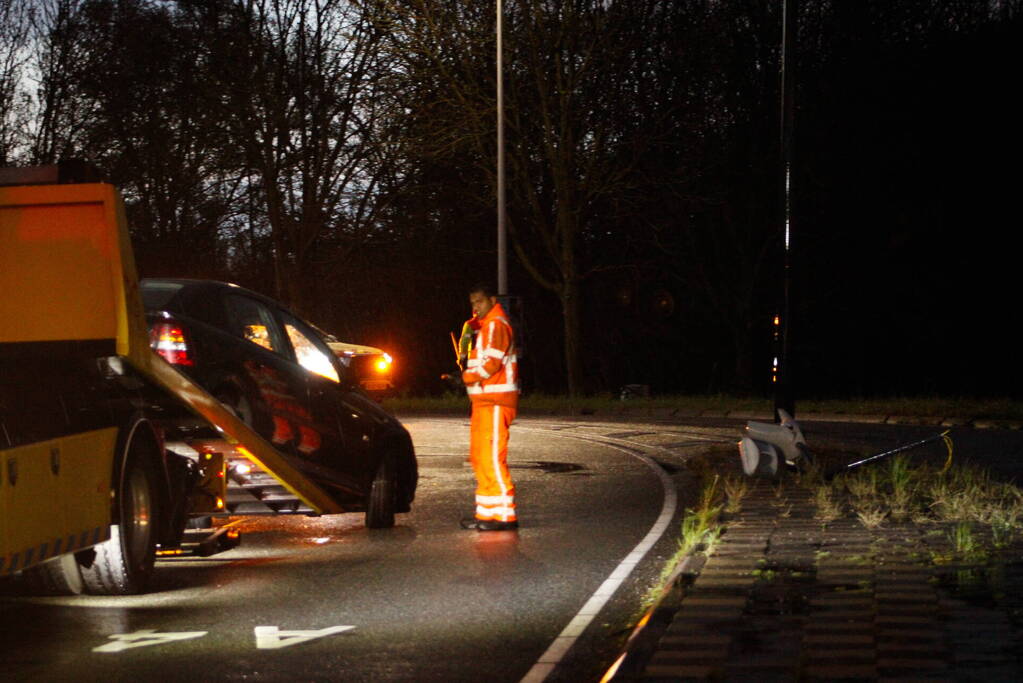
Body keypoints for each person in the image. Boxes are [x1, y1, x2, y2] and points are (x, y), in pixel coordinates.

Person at [460, 283, 520, 531]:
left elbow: (492, 364)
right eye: (473, 303)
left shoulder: (496, 324)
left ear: (492, 300)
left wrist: (464, 377)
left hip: (495, 402)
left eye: (480, 302)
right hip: (485, 402)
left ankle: (505, 516)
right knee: (481, 458)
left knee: (492, 459)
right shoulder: (486, 326)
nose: (476, 307)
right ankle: (487, 514)